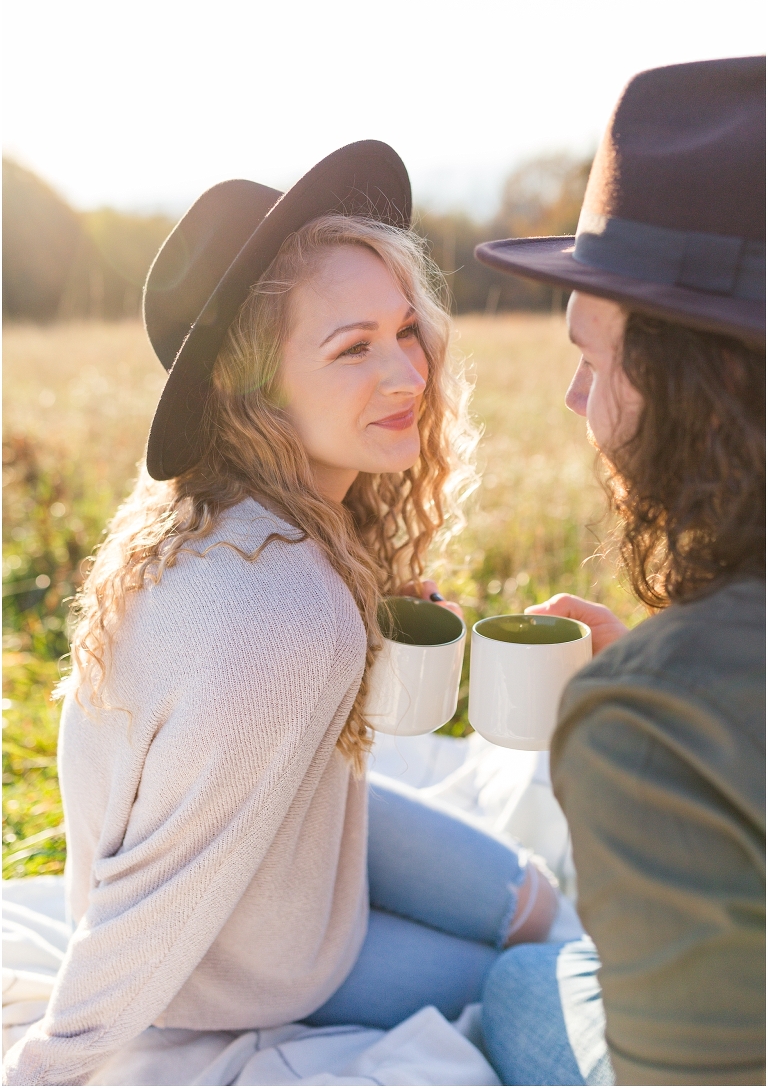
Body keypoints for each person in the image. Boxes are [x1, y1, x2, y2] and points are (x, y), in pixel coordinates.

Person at [2, 141, 560, 1086]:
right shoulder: (278, 611)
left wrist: (371, 623)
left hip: (312, 830)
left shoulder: (229, 514)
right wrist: (48, 1067)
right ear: (254, 388)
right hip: (236, 964)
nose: (409, 373)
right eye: (352, 348)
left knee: (536, 898)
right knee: (523, 969)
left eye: (404, 329)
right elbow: (157, 890)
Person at [475, 57, 765, 1085]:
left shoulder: (653, 725)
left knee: (522, 985)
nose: (572, 399)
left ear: (712, 382)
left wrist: (650, 708)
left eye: (594, 359)